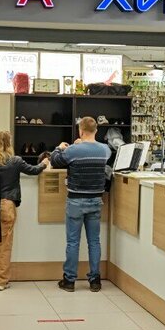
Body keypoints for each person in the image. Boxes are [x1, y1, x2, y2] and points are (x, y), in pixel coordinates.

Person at [0, 130, 49, 291]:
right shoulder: (15, 161)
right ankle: (0, 282)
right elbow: (34, 170)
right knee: (4, 245)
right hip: (7, 205)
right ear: (9, 143)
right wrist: (44, 163)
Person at [50, 117, 110, 293]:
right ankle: (95, 280)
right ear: (96, 130)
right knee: (94, 241)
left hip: (76, 200)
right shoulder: (105, 150)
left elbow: (55, 160)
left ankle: (69, 281)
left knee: (73, 242)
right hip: (96, 200)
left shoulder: (73, 150)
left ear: (80, 131)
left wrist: (59, 147)